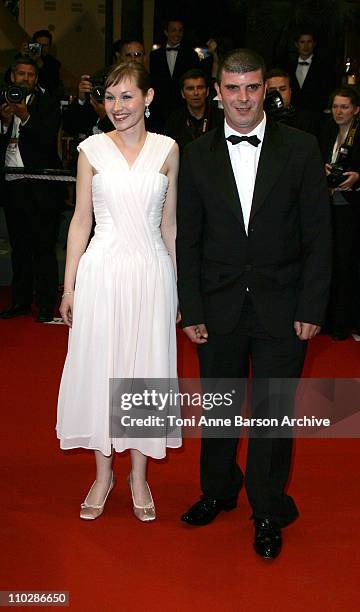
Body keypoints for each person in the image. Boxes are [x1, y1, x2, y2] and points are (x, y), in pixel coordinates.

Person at [176, 48, 331, 559]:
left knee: (272, 414)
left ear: (267, 89)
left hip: (283, 308)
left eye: (253, 87)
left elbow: (319, 236)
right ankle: (218, 491)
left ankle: (267, 507)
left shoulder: (303, 148)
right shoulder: (195, 154)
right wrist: (192, 309)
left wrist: (312, 305)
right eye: (233, 88)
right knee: (219, 409)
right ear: (217, 91)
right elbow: (189, 241)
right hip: (218, 305)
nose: (243, 98)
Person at [56, 62, 181, 522]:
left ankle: (139, 475)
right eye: (110, 98)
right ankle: (103, 474)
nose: (118, 107)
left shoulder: (169, 150)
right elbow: (80, 221)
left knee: (144, 369)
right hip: (102, 271)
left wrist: (178, 285)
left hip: (151, 272)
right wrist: (68, 287)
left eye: (127, 97)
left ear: (148, 98)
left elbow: (170, 226)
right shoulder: (90, 149)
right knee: (102, 369)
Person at [0, 56, 65, 322]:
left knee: (44, 246)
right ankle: (21, 301)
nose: (25, 79)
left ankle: (47, 303)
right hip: (13, 184)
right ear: (12, 76)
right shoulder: (2, 102)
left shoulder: (48, 103)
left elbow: (48, 140)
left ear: (35, 79)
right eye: (20, 74)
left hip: (42, 186)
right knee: (20, 246)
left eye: (30, 75)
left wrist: (24, 116)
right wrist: (5, 123)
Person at [320, 86, 360, 340]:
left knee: (348, 265)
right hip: (328, 206)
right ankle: (328, 319)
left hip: (353, 208)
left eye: (344, 107)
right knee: (329, 264)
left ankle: (346, 322)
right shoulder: (326, 132)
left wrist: (358, 176)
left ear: (356, 110)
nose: (339, 111)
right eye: (335, 106)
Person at [149, 17, 200, 131]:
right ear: (166, 32)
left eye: (180, 30)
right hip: (159, 107)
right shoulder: (155, 55)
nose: (177, 34)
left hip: (182, 105)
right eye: (173, 30)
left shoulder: (191, 55)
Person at [164, 69, 223, 154]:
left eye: (200, 88)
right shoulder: (174, 120)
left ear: (207, 92)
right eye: (190, 89)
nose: (196, 93)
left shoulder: (221, 117)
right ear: (183, 94)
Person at [265, 68, 319, 135]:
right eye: (273, 91)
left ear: (290, 91)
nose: (278, 94)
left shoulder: (306, 119)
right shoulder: (262, 119)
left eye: (282, 89)